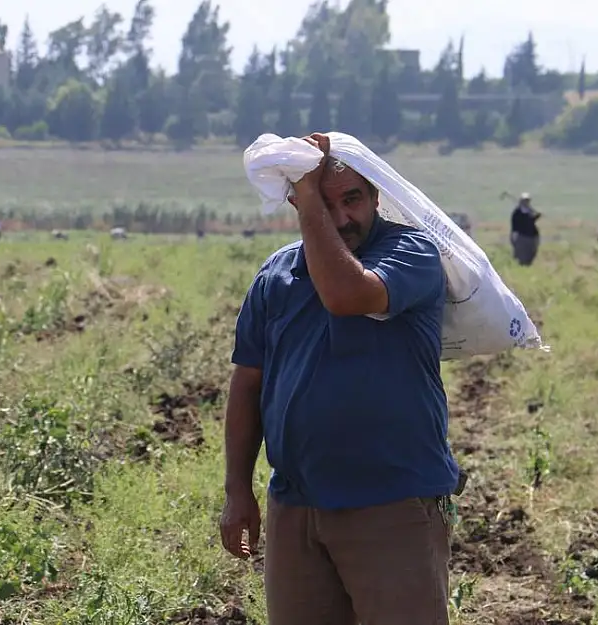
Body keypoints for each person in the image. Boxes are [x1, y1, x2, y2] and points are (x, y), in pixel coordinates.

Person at [220, 132, 459, 625]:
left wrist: (309, 196)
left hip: (391, 505)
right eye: (323, 203)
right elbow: (248, 383)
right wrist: (237, 490)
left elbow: (347, 296)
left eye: (351, 199)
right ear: (295, 202)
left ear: (375, 197)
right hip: (297, 505)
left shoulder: (410, 253)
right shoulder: (277, 276)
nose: (342, 217)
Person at [510, 192, 542, 266]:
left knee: (531, 253)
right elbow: (516, 225)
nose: (526, 202)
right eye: (525, 201)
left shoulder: (530, 211)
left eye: (527, 201)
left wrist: (537, 216)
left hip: (532, 236)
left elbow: (531, 221)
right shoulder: (517, 213)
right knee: (522, 255)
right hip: (522, 237)